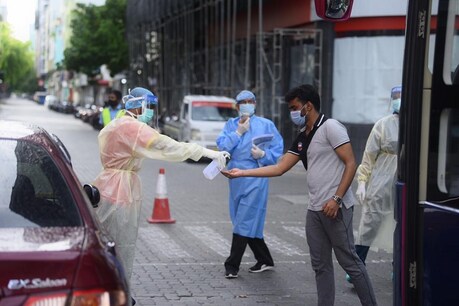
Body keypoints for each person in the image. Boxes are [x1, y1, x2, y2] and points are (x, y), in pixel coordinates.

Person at [222, 84, 377, 305]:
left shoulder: (331, 127)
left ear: (308, 106)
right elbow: (280, 167)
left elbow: (351, 163)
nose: (292, 113)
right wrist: (242, 173)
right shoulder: (303, 136)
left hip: (336, 208)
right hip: (314, 210)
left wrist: (337, 198)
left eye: (295, 108)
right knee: (320, 265)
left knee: (350, 261)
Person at [92, 87, 230, 303]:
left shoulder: (117, 123)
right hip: (120, 190)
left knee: (107, 246)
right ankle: (118, 296)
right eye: (150, 107)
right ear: (138, 106)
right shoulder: (132, 127)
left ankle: (110, 292)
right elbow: (166, 146)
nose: (151, 112)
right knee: (121, 247)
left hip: (106, 185)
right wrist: (205, 152)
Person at [216, 90, 284, 279]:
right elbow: (222, 147)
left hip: (256, 177)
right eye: (243, 102)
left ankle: (232, 265)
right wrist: (238, 132)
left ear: (255, 103)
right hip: (235, 178)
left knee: (244, 219)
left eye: (250, 101)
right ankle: (265, 259)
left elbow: (278, 153)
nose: (247, 104)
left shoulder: (266, 125)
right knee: (242, 219)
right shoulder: (230, 125)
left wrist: (263, 156)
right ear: (237, 106)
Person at [347, 86, 401, 282]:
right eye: (396, 97)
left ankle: (400, 268)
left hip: (404, 180)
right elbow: (369, 156)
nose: (399, 100)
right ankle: (356, 269)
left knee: (401, 225)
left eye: (402, 96)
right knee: (370, 223)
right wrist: (362, 181)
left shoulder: (416, 123)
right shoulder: (383, 125)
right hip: (382, 179)